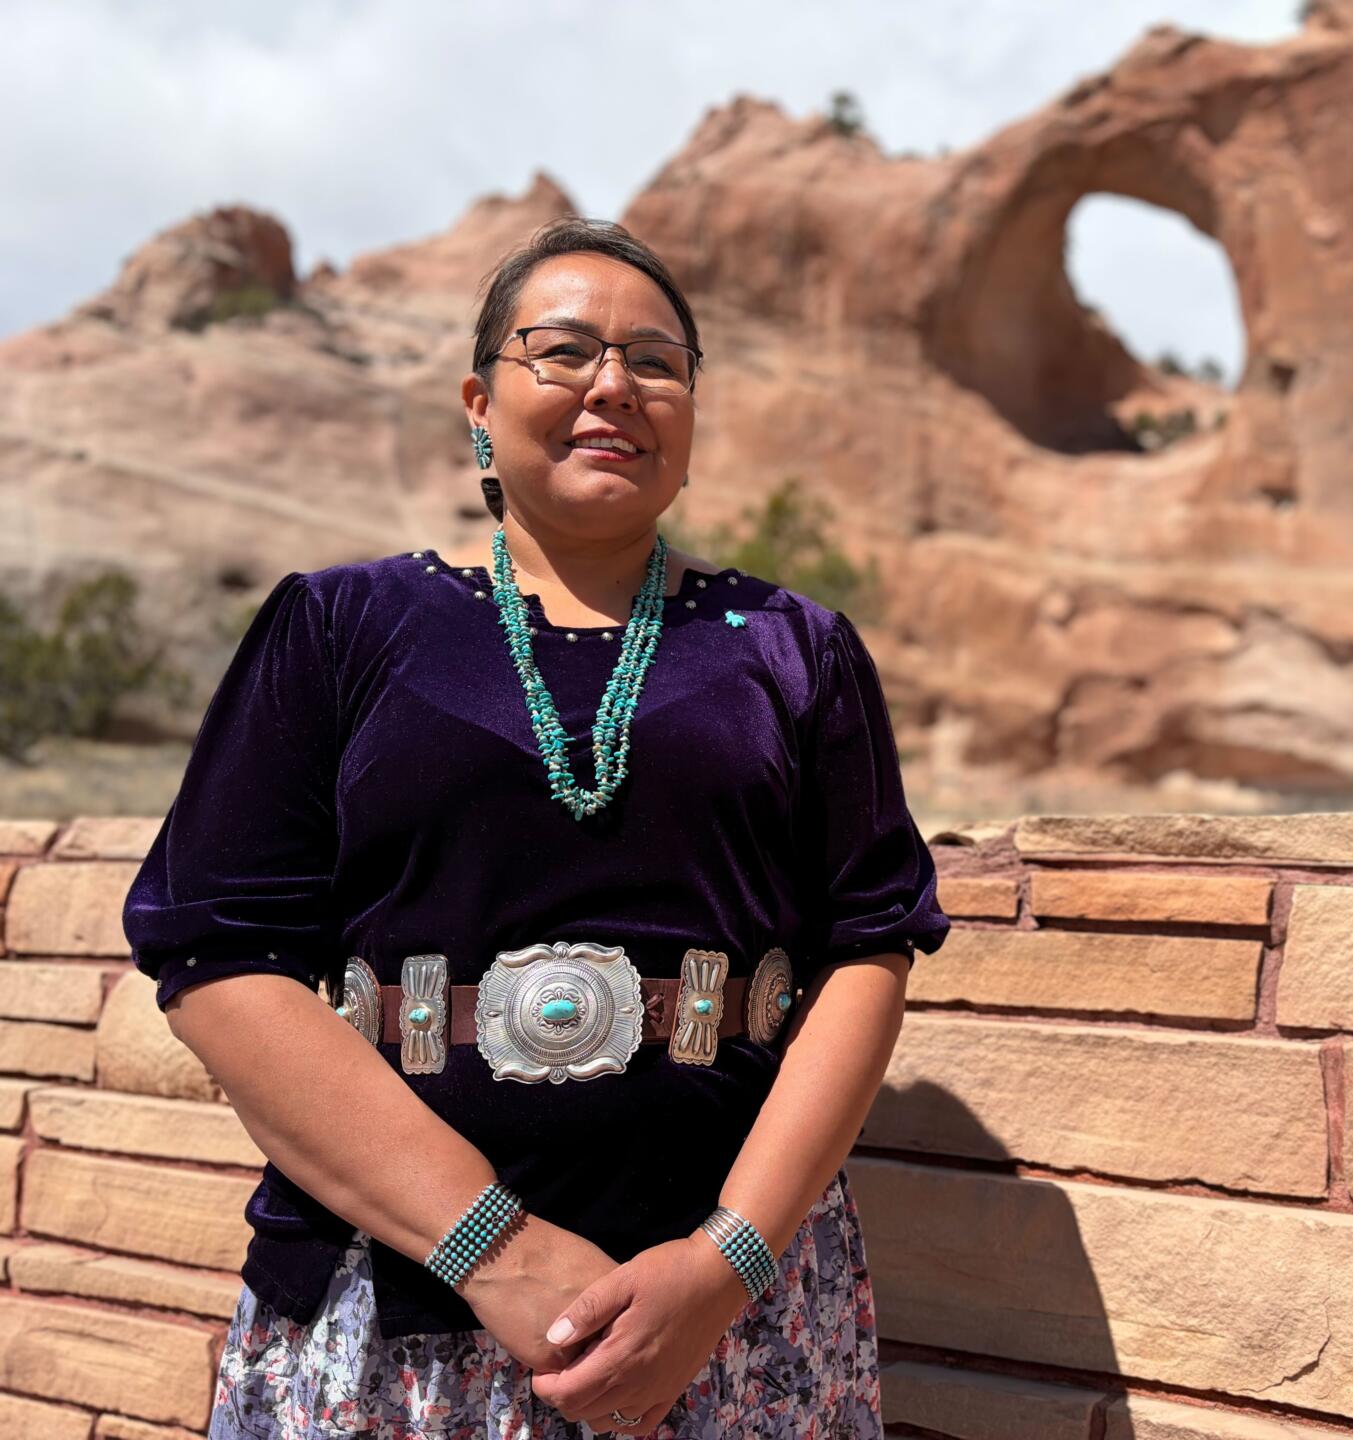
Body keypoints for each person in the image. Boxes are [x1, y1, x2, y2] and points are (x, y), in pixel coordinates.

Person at [122, 216, 950, 1439]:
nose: (614, 383)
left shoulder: (796, 651)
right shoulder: (339, 628)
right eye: (562, 350)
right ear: (478, 402)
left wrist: (724, 1266)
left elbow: (867, 952)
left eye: (657, 361)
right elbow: (221, 958)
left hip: (725, 1324)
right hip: (393, 1305)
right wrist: (495, 1252)